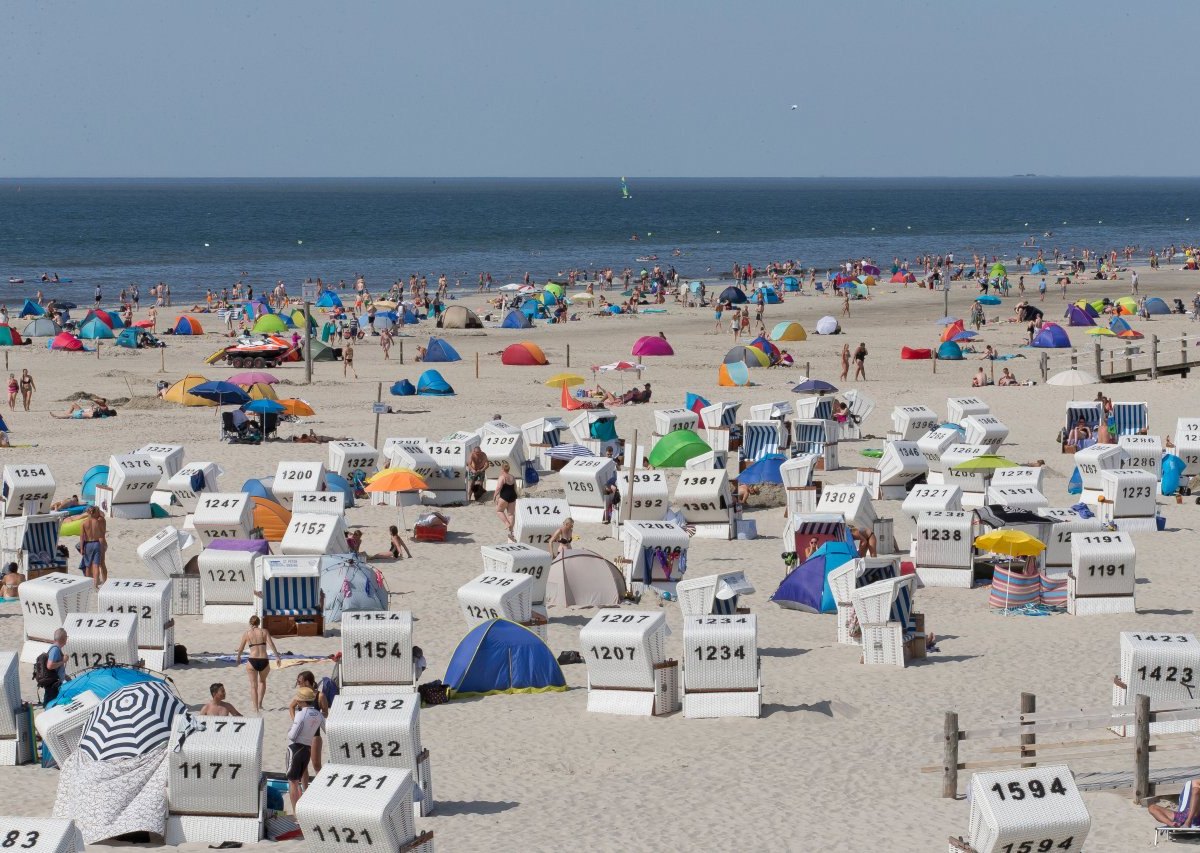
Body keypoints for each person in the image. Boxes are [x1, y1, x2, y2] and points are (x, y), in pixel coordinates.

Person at [284, 687, 325, 811]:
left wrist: (289, 731)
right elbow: (327, 729)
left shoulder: (301, 714)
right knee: (301, 781)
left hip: (295, 748)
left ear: (301, 701)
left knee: (293, 782)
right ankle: (301, 811)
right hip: (307, 749)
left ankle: (296, 813)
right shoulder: (318, 714)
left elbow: (293, 735)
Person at [236, 615, 281, 714]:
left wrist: (238, 657)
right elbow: (271, 644)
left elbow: (241, 648)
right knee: (262, 682)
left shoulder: (247, 634)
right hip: (264, 660)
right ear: (259, 623)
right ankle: (260, 704)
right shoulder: (264, 631)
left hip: (252, 660)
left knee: (253, 686)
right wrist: (277, 656)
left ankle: (255, 708)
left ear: (250, 623)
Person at [289, 671, 330, 774]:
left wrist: (314, 716)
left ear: (307, 682)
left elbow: (325, 713)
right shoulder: (301, 694)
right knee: (302, 765)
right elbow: (291, 706)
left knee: (316, 764)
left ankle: (320, 786)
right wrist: (295, 720)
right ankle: (305, 788)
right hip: (301, 732)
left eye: (299, 681)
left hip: (314, 733)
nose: (298, 684)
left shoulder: (320, 696)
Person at [79, 506, 106, 587]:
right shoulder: (97, 522)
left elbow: (81, 537)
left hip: (88, 544)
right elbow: (102, 534)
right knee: (96, 565)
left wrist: (81, 548)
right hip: (97, 543)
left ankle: (88, 585)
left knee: (88, 566)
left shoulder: (83, 523)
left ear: (87, 513)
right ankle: (95, 585)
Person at [494, 460, 518, 538]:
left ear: (502, 469)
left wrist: (494, 496)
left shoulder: (502, 477)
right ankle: (511, 532)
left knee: (499, 511)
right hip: (513, 495)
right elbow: (515, 487)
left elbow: (498, 488)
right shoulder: (512, 477)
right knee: (511, 514)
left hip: (505, 496)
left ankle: (507, 523)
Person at [43, 628, 68, 703]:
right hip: (53, 684)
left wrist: (64, 675)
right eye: (66, 637)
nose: (67, 639)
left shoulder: (55, 648)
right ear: (63, 638)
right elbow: (50, 666)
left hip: (54, 682)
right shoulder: (55, 650)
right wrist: (63, 661)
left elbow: (55, 667)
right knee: (50, 704)